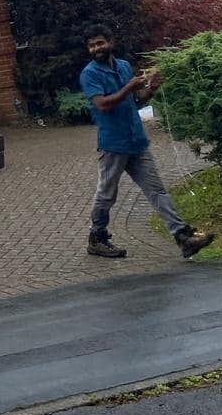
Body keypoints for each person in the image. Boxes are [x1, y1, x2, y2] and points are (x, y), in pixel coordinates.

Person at [79, 24, 213, 261]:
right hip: (113, 144)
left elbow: (135, 101)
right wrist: (129, 86)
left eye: (100, 43)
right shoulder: (89, 74)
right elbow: (102, 104)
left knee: (157, 191)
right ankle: (97, 238)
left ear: (111, 42)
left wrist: (151, 89)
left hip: (137, 142)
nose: (96, 48)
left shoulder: (122, 66)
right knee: (107, 194)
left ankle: (183, 237)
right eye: (91, 45)